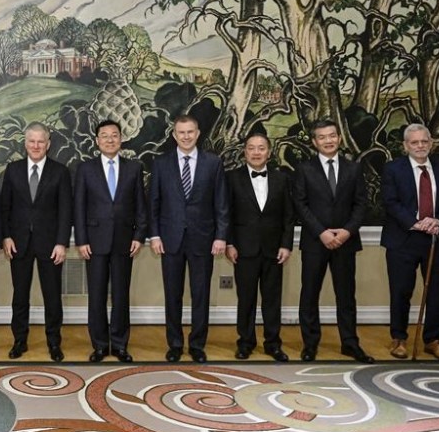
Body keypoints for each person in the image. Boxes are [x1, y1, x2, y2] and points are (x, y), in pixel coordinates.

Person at [149, 114, 229, 364]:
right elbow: (153, 203)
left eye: (190, 132)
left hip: (203, 239)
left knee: (200, 294)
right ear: (174, 135)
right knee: (172, 294)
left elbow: (221, 203)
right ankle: (174, 344)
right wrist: (154, 235)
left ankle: (197, 344)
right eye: (181, 132)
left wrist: (221, 237)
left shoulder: (212, 163)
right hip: (170, 239)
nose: (186, 136)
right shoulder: (161, 164)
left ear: (198, 133)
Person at [293, 119, 373, 363]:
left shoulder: (354, 168)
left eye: (332, 136)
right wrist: (322, 232)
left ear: (339, 138)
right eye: (322, 137)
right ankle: (310, 344)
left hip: (345, 242)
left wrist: (347, 231)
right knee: (309, 294)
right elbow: (300, 204)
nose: (328, 140)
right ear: (314, 141)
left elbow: (361, 204)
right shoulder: (304, 169)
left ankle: (350, 343)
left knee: (346, 295)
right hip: (315, 242)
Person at [381, 124, 439, 361]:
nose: (420, 146)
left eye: (424, 142)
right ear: (405, 146)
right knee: (400, 291)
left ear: (431, 143)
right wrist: (415, 222)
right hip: (403, 239)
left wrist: (438, 220)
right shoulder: (393, 169)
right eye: (414, 143)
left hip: (438, 238)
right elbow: (390, 202)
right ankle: (399, 338)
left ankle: (433, 339)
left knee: (437, 292)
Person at [73, 120, 147, 362]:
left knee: (121, 295)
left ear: (121, 139)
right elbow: (79, 207)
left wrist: (139, 236)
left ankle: (120, 344)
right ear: (97, 141)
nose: (109, 140)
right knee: (96, 296)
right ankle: (100, 345)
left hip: (125, 241)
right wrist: (81, 240)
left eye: (114, 135)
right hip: (94, 242)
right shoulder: (85, 169)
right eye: (104, 136)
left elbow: (140, 206)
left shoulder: (134, 168)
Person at [1, 122, 72, 362]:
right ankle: (19, 340)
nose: (36, 145)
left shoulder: (60, 172)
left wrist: (62, 243)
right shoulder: (12, 170)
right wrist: (6, 236)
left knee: (52, 296)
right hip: (18, 243)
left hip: (50, 245)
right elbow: (5, 207)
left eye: (41, 141)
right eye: (31, 141)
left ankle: (54, 343)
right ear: (25, 143)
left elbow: (65, 211)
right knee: (20, 296)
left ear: (48, 144)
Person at [225, 133, 293, 362]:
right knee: (246, 299)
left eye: (261, 148)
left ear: (269, 152)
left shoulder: (282, 178)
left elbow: (288, 216)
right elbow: (227, 214)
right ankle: (245, 342)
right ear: (245, 151)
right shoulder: (232, 178)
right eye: (251, 148)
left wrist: (286, 244)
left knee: (272, 299)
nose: (256, 152)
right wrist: (230, 243)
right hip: (243, 249)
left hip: (274, 250)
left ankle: (273, 343)